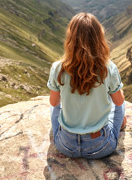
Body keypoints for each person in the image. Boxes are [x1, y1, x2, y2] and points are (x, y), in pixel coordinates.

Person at [47, 12, 126, 159]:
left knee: (54, 105)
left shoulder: (57, 68)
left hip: (66, 145)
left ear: (70, 39)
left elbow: (54, 102)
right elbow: (119, 101)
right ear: (98, 38)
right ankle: (120, 124)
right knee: (120, 104)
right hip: (100, 146)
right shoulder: (108, 68)